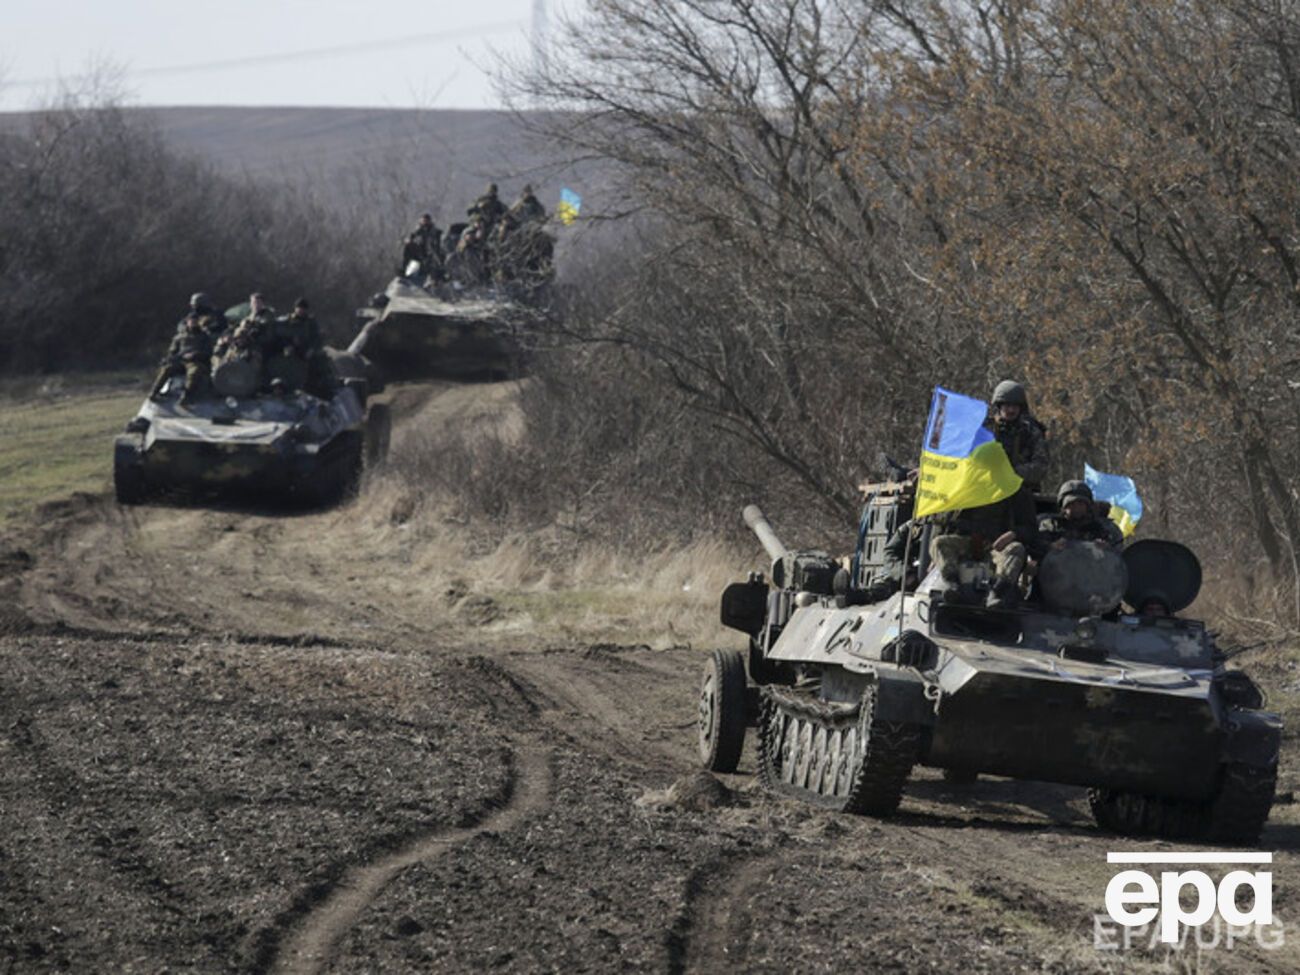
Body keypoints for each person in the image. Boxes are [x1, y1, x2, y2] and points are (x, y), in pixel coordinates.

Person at [929, 496, 1039, 610]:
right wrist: (935, 556)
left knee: (1016, 548)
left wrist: (1013, 534)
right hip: (964, 542)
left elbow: (1031, 530)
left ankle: (997, 592)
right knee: (938, 543)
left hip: (995, 545)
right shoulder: (960, 486)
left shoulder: (1016, 492)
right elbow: (941, 523)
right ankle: (953, 586)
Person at [986, 380, 1050, 491]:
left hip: (1021, 490)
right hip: (987, 488)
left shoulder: (1030, 432)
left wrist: (1012, 472)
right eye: (1007, 405)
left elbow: (1041, 466)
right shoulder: (986, 430)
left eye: (1015, 406)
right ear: (999, 406)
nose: (1011, 410)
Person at [150, 304, 218, 406]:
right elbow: (173, 351)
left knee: (194, 373)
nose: (193, 323)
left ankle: (186, 396)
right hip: (180, 361)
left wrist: (195, 355)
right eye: (191, 321)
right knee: (167, 369)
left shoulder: (204, 337)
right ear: (187, 322)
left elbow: (208, 352)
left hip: (196, 361)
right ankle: (154, 392)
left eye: (195, 321)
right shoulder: (179, 337)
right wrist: (170, 358)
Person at [1037, 480, 1124, 549]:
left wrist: (1106, 548)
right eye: (1071, 505)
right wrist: (1051, 546)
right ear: (1063, 508)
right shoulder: (1051, 525)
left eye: (1080, 504)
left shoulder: (1103, 527)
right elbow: (1036, 544)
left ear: (1088, 506)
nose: (1076, 508)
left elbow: (1118, 549)